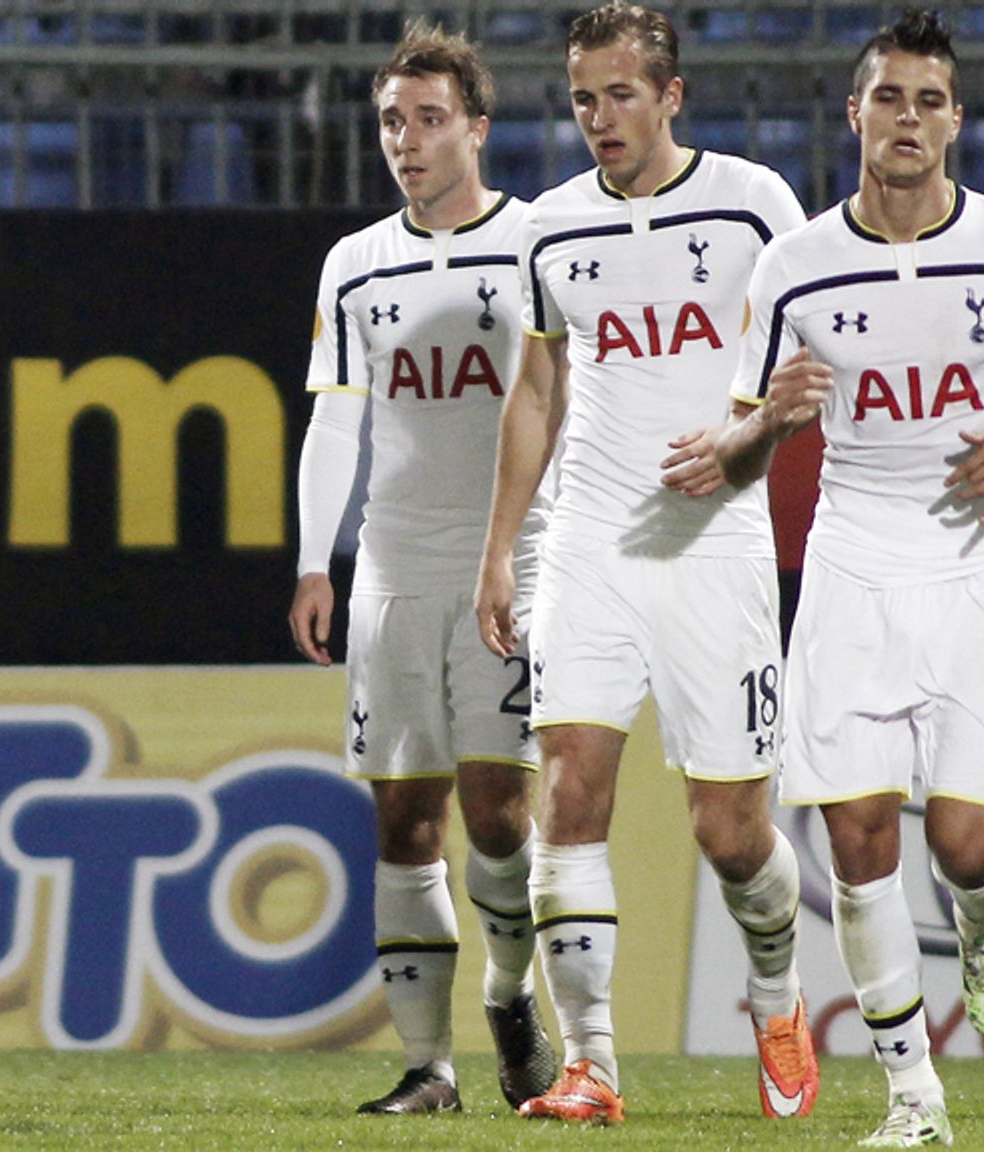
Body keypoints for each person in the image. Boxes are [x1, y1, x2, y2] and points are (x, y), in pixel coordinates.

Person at [715, 11, 984, 1147]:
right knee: (851, 838)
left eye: (928, 101)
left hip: (980, 564)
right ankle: (910, 1097)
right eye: (886, 97)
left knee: (963, 848)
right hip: (850, 559)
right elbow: (738, 443)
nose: (906, 119)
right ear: (854, 113)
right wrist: (771, 424)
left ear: (953, 118)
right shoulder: (791, 267)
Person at [473, 0, 818, 1125]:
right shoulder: (548, 228)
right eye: (581, 97)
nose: (599, 117)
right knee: (568, 787)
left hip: (715, 544)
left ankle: (774, 995)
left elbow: (804, 378)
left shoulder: (754, 206)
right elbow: (534, 392)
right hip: (587, 543)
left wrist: (739, 440)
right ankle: (591, 1066)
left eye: (621, 93)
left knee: (729, 831)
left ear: (671, 96)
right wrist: (498, 554)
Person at [290, 20, 557, 1116]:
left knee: (495, 816)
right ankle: (426, 1069)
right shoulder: (353, 264)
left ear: (476, 128)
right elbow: (332, 424)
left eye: (428, 120)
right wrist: (316, 561)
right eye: (392, 122)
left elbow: (564, 406)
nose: (406, 140)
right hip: (393, 572)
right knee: (403, 823)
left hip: (513, 564)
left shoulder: (539, 243)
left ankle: (507, 992)